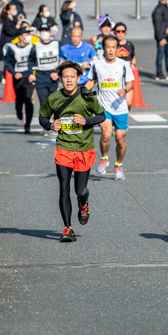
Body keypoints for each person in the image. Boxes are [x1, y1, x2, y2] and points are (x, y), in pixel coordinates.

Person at [38, 61, 106, 242]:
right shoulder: (54, 98)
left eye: (72, 77)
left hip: (84, 148)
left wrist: (85, 121)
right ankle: (67, 228)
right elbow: (42, 117)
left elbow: (101, 116)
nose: (69, 80)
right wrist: (50, 125)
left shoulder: (86, 96)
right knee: (63, 188)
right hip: (64, 148)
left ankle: (83, 203)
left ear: (78, 78)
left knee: (80, 190)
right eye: (65, 76)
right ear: (60, 79)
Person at [85, 36, 134, 181]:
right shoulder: (97, 65)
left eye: (114, 47)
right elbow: (92, 81)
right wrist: (82, 93)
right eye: (108, 47)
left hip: (120, 107)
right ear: (104, 48)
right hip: (103, 106)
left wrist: (124, 91)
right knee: (106, 135)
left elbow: (130, 83)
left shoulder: (124, 65)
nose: (111, 50)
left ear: (118, 49)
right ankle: (104, 158)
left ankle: (118, 165)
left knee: (120, 139)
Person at [28, 23, 60, 135]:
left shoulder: (56, 44)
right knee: (43, 102)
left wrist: (57, 73)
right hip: (41, 76)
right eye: (42, 30)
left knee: (54, 102)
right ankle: (46, 126)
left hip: (53, 77)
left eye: (46, 30)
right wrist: (31, 73)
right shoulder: (36, 46)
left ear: (50, 32)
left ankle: (56, 123)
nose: (44, 32)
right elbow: (30, 61)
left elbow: (62, 60)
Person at [4, 27, 34, 133]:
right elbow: (7, 63)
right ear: (20, 37)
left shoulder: (32, 47)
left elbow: (36, 61)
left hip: (29, 77)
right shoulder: (12, 48)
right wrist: (14, 73)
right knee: (20, 99)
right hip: (18, 78)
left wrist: (33, 73)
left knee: (29, 99)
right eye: (26, 35)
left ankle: (27, 125)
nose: (28, 37)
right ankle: (18, 109)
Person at [114, 22, 136, 108]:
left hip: (127, 77)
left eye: (122, 31)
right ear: (114, 32)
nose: (120, 34)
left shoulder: (129, 45)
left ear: (125, 32)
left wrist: (133, 64)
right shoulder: (112, 45)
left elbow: (133, 57)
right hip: (116, 77)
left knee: (128, 103)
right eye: (118, 31)